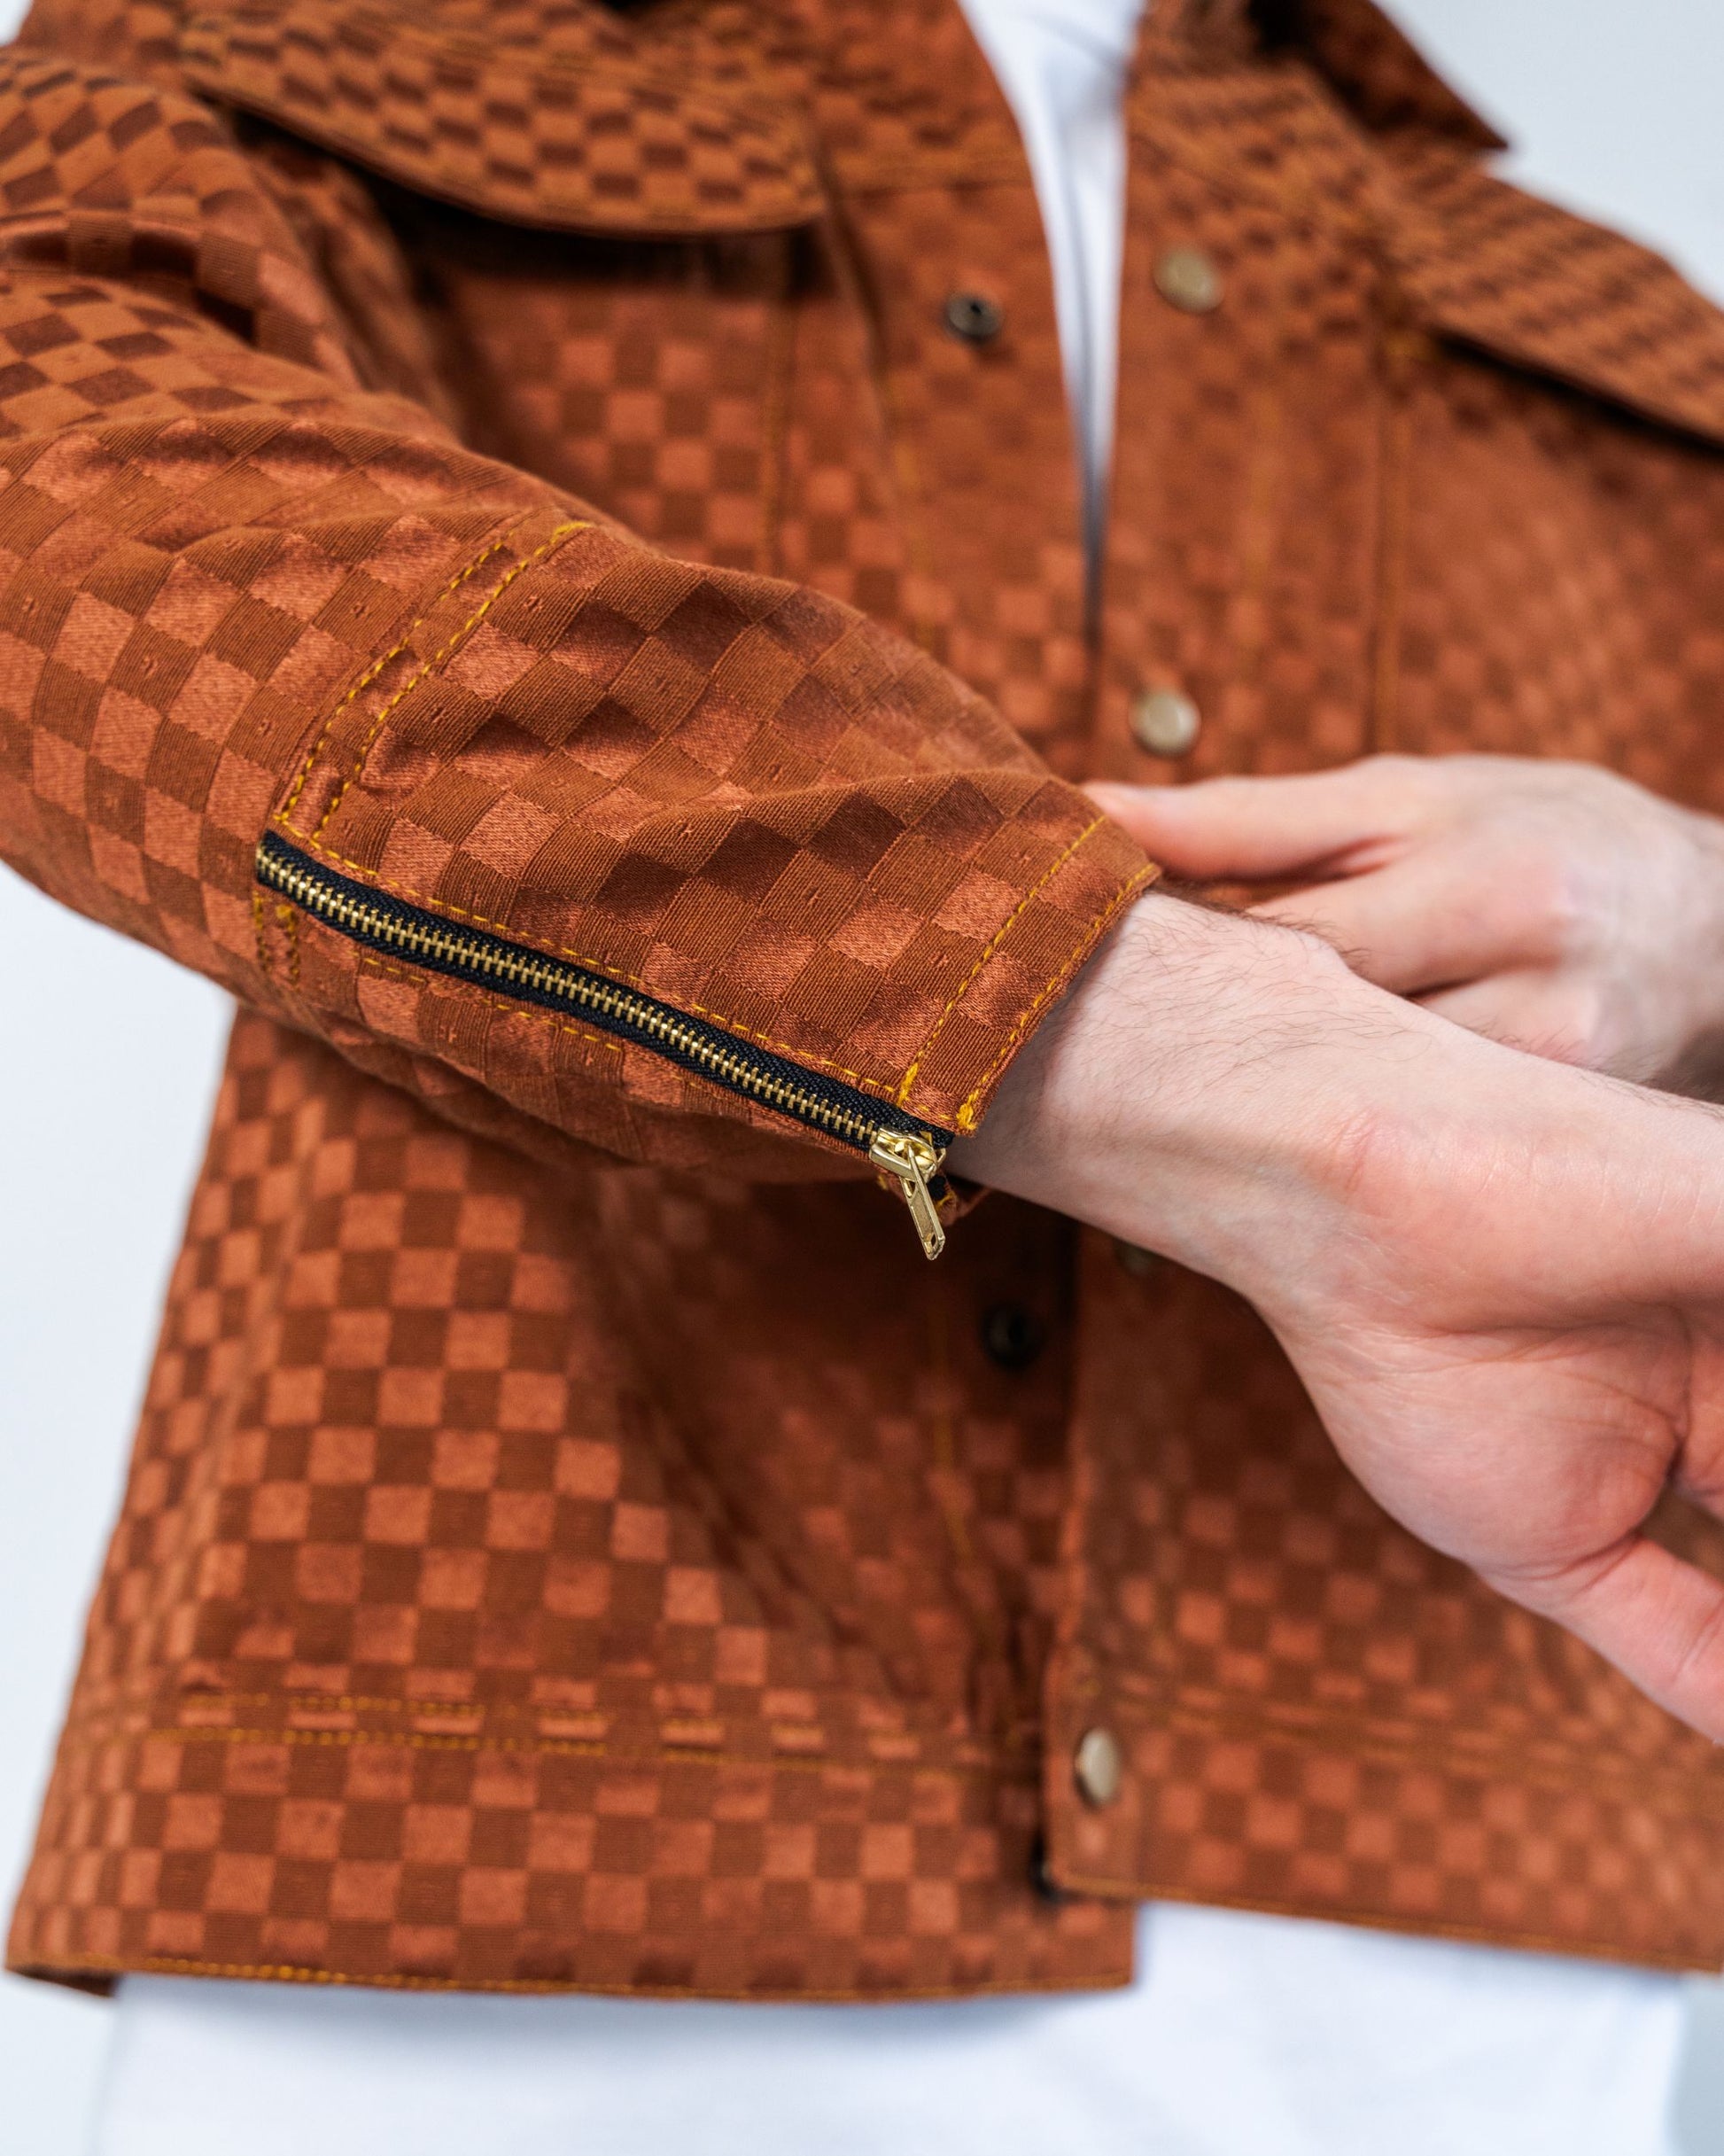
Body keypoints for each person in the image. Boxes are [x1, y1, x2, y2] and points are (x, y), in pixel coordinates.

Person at [3, 0, 1723, 2148]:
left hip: (1475, 1919)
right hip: (498, 1883)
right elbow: (66, 505)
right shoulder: (293, 57)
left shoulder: (1634, 323)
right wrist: (1224, 1068)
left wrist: (1699, 906)